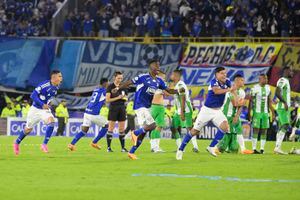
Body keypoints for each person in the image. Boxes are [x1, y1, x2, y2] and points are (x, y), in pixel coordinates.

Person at [112, 59, 182, 160]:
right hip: (140, 105)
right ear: (151, 67)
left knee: (144, 132)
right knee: (153, 125)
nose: (158, 68)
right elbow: (129, 83)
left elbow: (169, 90)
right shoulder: (143, 77)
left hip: (148, 107)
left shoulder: (159, 81)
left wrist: (178, 91)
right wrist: (118, 88)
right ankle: (134, 133)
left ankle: (131, 152)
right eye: (156, 66)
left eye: (159, 66)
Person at [176, 66, 237, 160]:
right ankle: (180, 150)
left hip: (217, 111)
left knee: (225, 127)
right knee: (194, 131)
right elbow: (216, 91)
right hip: (207, 111)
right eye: (222, 73)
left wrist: (235, 95)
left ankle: (211, 147)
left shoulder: (227, 81)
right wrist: (229, 90)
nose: (224, 75)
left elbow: (233, 90)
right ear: (216, 74)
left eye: (225, 73)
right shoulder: (213, 82)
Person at [13, 70, 63, 155]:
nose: (61, 78)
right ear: (54, 77)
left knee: (51, 122)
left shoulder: (56, 87)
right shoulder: (44, 85)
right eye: (60, 76)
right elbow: (33, 95)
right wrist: (42, 104)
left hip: (44, 110)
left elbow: (49, 97)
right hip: (35, 110)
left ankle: (44, 144)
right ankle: (17, 142)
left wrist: (49, 102)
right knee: (28, 129)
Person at [68, 78, 109, 151]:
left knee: (84, 130)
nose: (108, 84)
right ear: (105, 83)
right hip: (93, 113)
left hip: (87, 112)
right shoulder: (104, 91)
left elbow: (99, 99)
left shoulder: (96, 89)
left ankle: (72, 144)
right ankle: (94, 142)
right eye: (108, 83)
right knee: (106, 125)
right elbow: (110, 94)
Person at [216, 74, 252, 154]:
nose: (244, 82)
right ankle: (215, 147)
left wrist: (237, 116)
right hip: (227, 115)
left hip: (235, 115)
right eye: (242, 80)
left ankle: (243, 149)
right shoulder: (230, 90)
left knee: (238, 130)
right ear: (237, 81)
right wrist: (240, 103)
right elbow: (235, 104)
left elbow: (241, 106)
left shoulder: (242, 92)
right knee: (226, 132)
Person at [170, 69, 199, 152]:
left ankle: (195, 147)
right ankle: (180, 148)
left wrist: (182, 112)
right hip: (179, 109)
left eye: (172, 74)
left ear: (176, 76)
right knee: (173, 127)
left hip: (185, 109)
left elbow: (183, 98)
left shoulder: (180, 85)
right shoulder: (177, 85)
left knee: (189, 128)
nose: (171, 76)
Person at [248, 74, 275, 154]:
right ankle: (254, 148)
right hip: (257, 112)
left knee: (264, 130)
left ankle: (262, 149)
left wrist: (273, 113)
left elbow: (269, 101)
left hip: (265, 113)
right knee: (256, 129)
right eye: (265, 78)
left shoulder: (268, 88)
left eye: (267, 78)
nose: (266, 80)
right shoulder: (254, 88)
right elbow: (250, 101)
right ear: (260, 79)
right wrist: (249, 112)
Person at [106, 71, 128, 152]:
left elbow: (126, 97)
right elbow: (107, 100)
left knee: (122, 129)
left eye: (121, 78)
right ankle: (108, 148)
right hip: (113, 108)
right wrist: (118, 97)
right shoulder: (110, 87)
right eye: (118, 78)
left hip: (122, 108)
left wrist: (123, 98)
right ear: (114, 77)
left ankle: (123, 148)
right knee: (111, 128)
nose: (120, 79)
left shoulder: (123, 86)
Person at [274, 67, 293, 154]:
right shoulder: (283, 80)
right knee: (285, 125)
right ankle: (277, 147)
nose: (292, 72)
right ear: (286, 71)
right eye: (291, 71)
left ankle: (277, 148)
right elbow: (277, 92)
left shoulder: (286, 81)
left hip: (284, 107)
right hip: (283, 107)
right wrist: (285, 102)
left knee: (282, 127)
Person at [150, 71, 168, 153]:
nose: (163, 79)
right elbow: (166, 93)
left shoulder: (160, 85)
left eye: (164, 78)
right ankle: (155, 147)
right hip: (155, 107)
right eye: (162, 77)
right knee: (155, 127)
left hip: (160, 107)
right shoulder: (154, 84)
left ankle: (155, 146)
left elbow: (166, 93)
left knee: (159, 127)